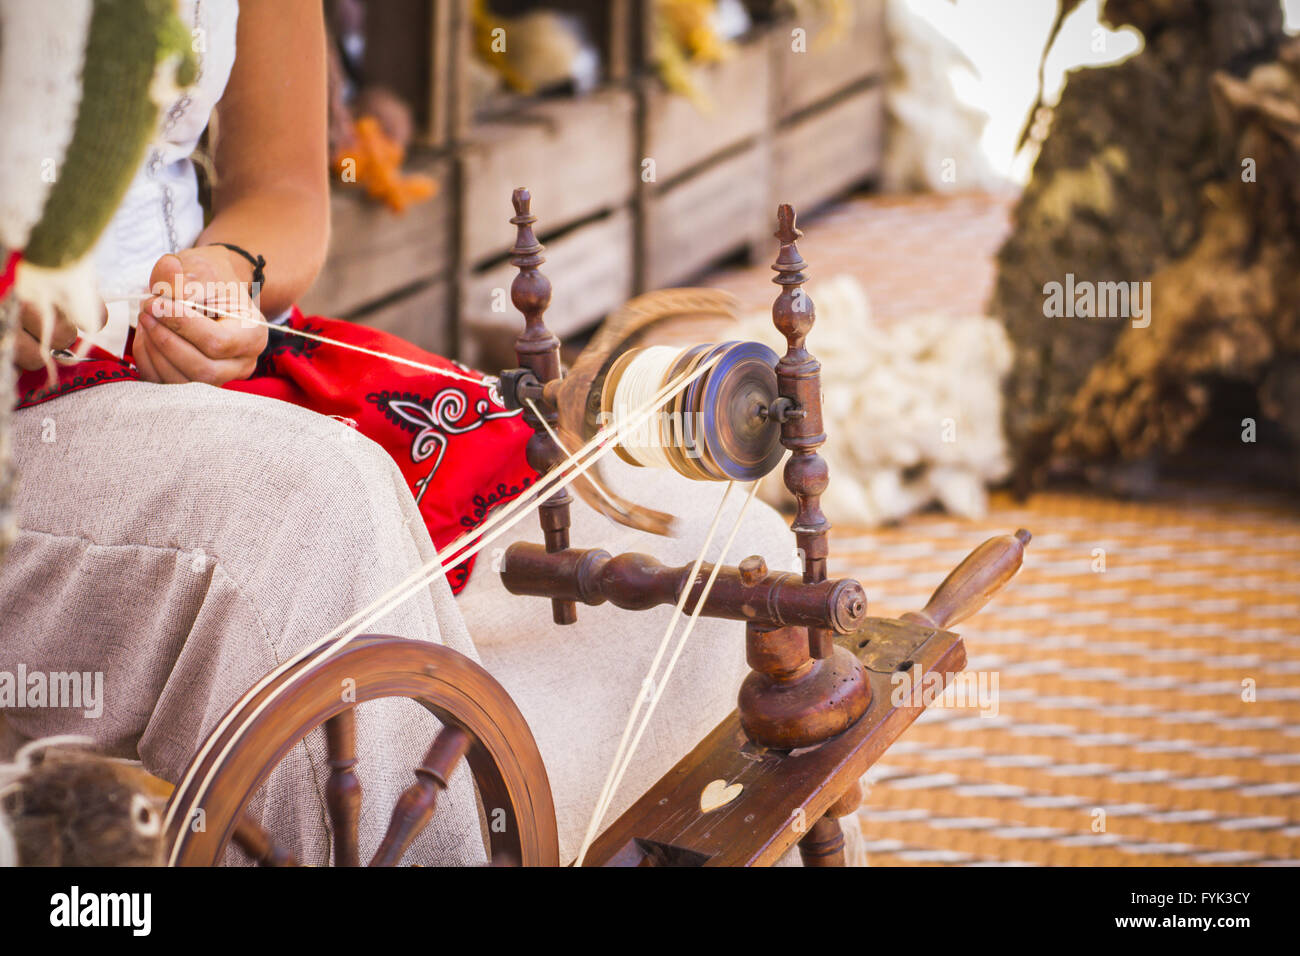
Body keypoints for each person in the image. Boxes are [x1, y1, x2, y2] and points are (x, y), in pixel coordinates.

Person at [0, 0, 797, 864]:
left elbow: (285, 194)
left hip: (193, 365)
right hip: (24, 419)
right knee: (310, 506)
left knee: (726, 553)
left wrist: (227, 273)